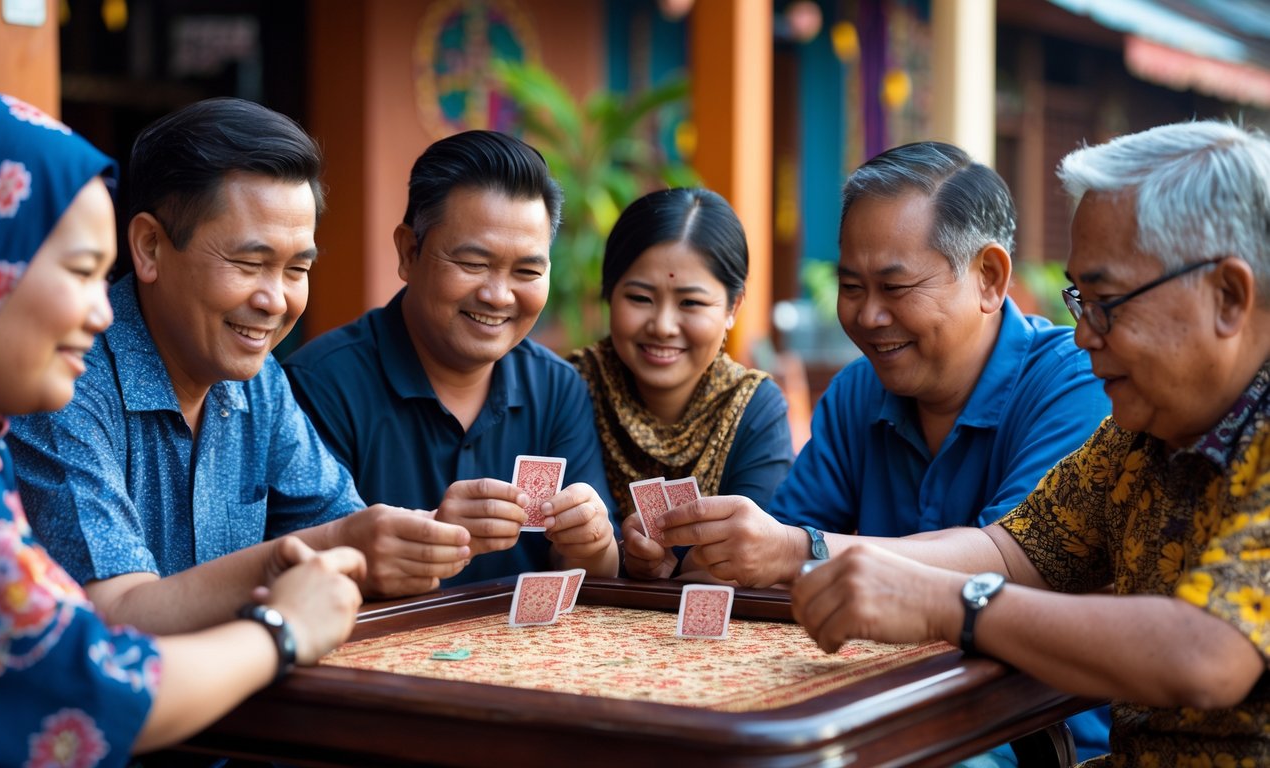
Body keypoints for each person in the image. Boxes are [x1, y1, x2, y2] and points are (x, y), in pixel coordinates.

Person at [791, 120, 1270, 765]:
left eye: (1107, 303)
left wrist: (948, 603)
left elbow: (1210, 653)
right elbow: (1012, 548)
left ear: (1229, 297)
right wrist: (826, 555)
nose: (1083, 335)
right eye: (1080, 301)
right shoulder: (1136, 440)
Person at [634, 142, 1113, 761]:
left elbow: (1019, 554)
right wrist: (694, 550)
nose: (867, 315)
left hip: (1028, 733)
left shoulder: (1073, 381)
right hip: (882, 706)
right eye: (850, 286)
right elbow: (777, 553)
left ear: (990, 278)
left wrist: (791, 550)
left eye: (894, 285)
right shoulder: (862, 389)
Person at [0, 92, 361, 765]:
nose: (103, 312)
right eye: (80, 272)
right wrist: (281, 626)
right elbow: (93, 687)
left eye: (297, 268)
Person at [8, 98, 474, 636]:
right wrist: (333, 548)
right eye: (251, 264)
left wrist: (425, 539)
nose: (276, 301)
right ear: (150, 247)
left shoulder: (259, 382)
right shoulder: (64, 382)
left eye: (296, 269)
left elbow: (342, 535)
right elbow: (115, 615)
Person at [284, 130, 618, 586]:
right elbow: (296, 572)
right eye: (473, 264)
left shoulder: (557, 388)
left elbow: (593, 578)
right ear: (409, 252)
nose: (498, 295)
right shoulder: (319, 385)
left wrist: (594, 543)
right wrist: (431, 530)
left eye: (527, 271)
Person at [569, 188, 793, 579]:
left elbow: (752, 560)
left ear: (733, 307)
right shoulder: (572, 386)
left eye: (690, 303)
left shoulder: (755, 406)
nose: (663, 326)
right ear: (608, 293)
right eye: (640, 297)